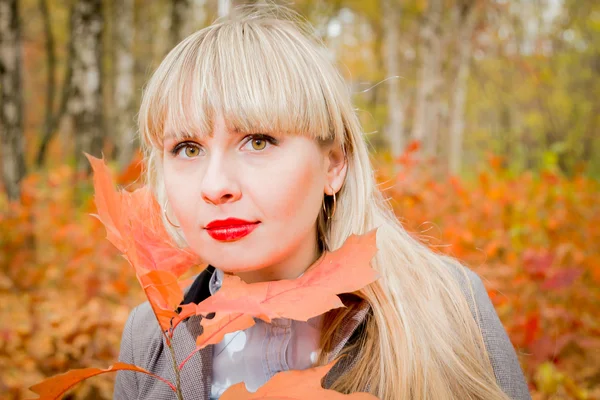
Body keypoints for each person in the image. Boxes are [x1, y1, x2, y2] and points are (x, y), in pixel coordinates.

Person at [113, 5, 531, 400]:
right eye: (187, 148)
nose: (216, 185)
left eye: (257, 141)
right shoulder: (151, 336)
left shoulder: (447, 305)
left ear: (333, 164)